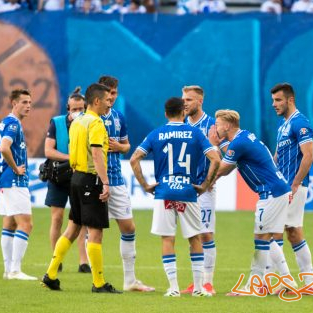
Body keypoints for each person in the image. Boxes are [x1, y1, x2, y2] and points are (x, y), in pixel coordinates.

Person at [130, 97, 220, 297]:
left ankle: (173, 288)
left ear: (165, 114)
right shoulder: (195, 133)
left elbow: (134, 158)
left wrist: (145, 185)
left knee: (167, 239)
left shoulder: (156, 133)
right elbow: (214, 158)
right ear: (183, 112)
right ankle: (198, 288)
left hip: (165, 192)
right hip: (188, 191)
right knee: (195, 238)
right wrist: (205, 185)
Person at [42, 83, 121, 294]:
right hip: (91, 180)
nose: (109, 103)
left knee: (73, 228)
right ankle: (98, 283)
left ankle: (50, 274)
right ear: (96, 101)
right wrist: (105, 182)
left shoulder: (78, 122)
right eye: (106, 100)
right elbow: (96, 154)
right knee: (95, 233)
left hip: (75, 179)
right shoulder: (95, 123)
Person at [208, 109, 293, 296]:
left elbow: (222, 169)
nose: (216, 127)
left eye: (218, 124)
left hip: (270, 193)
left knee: (260, 239)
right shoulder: (244, 138)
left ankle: (253, 287)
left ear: (228, 125)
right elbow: (231, 165)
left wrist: (213, 146)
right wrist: (220, 144)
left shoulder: (238, 143)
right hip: (280, 190)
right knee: (268, 239)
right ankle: (287, 281)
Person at [98, 75, 154, 292]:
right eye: (108, 93)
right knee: (92, 231)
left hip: (116, 179)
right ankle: (96, 279)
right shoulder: (89, 117)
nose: (112, 97)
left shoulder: (119, 117)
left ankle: (130, 281)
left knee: (128, 227)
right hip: (94, 181)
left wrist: (117, 147)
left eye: (114, 93)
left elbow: (126, 146)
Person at [269, 83, 313, 293]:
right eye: (273, 101)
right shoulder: (283, 126)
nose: (274, 104)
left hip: (292, 187)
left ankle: (284, 281)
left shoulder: (300, 123)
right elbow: (278, 157)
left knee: (270, 233)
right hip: (283, 186)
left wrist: (295, 183)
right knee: (294, 233)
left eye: (278, 100)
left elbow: (309, 155)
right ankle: (310, 284)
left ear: (289, 100)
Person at [181, 85, 228, 295]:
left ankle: (208, 283)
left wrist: (213, 175)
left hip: (205, 188)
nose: (185, 103)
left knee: (206, 234)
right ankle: (196, 282)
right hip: (184, 188)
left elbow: (229, 154)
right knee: (193, 235)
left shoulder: (212, 125)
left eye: (189, 100)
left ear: (200, 102)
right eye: (184, 99)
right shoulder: (179, 124)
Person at [44, 87, 90, 274]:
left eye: (81, 108)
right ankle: (57, 258)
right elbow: (48, 151)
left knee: (82, 221)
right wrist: (71, 158)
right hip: (59, 177)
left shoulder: (90, 124)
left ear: (85, 108)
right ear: (68, 108)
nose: (77, 112)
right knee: (57, 218)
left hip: (80, 177)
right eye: (74, 109)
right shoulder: (56, 123)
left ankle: (83, 261)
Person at [0, 89, 37, 281]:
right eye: (24, 102)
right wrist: (16, 168)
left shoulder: (5, 121)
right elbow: (4, 148)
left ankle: (8, 270)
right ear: (13, 103)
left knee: (10, 223)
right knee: (26, 224)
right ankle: (15, 270)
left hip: (4, 181)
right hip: (14, 181)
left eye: (29, 102)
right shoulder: (13, 123)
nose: (28, 106)